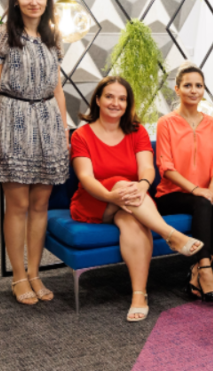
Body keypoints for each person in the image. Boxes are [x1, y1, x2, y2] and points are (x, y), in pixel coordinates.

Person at [71, 76, 203, 322]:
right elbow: (86, 178)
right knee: (123, 184)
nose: (115, 103)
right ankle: (171, 235)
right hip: (96, 200)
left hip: (131, 200)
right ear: (97, 100)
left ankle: (139, 295)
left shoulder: (136, 131)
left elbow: (147, 171)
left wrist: (142, 186)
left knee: (132, 221)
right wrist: (112, 195)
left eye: (122, 99)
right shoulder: (82, 135)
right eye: (109, 96)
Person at [0, 0, 69, 306]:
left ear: (48, 0)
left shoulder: (53, 37)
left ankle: (35, 272)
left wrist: (62, 130)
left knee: (40, 204)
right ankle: (18, 276)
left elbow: (57, 88)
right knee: (17, 204)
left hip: (47, 121)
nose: (34, 1)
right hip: (13, 119)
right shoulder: (4, 34)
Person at [156, 64, 213, 303]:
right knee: (203, 203)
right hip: (171, 194)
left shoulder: (211, 123)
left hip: (204, 191)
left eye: (199, 86)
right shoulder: (166, 123)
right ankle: (206, 271)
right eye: (188, 85)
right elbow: (166, 167)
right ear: (177, 89)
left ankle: (199, 269)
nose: (194, 90)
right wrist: (197, 190)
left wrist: (212, 188)